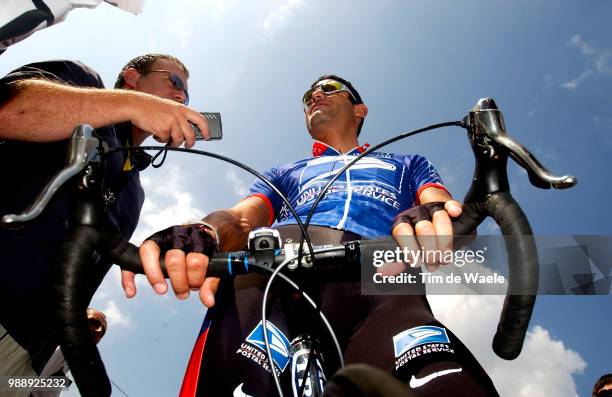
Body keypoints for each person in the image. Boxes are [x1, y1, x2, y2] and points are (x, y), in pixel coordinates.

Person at [134, 75, 499, 396]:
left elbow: (441, 206)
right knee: (232, 375)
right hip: (275, 269)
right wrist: (205, 230)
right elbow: (241, 217)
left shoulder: (407, 163)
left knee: (438, 377)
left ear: (360, 110)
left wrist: (431, 213)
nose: (314, 96)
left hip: (379, 272)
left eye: (328, 89)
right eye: (308, 95)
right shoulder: (287, 170)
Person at [0, 53, 209, 392]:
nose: (181, 97)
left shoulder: (135, 195)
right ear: (131, 77)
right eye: (174, 83)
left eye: (185, 95)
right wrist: (128, 105)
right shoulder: (83, 82)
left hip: (27, 356)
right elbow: (8, 109)